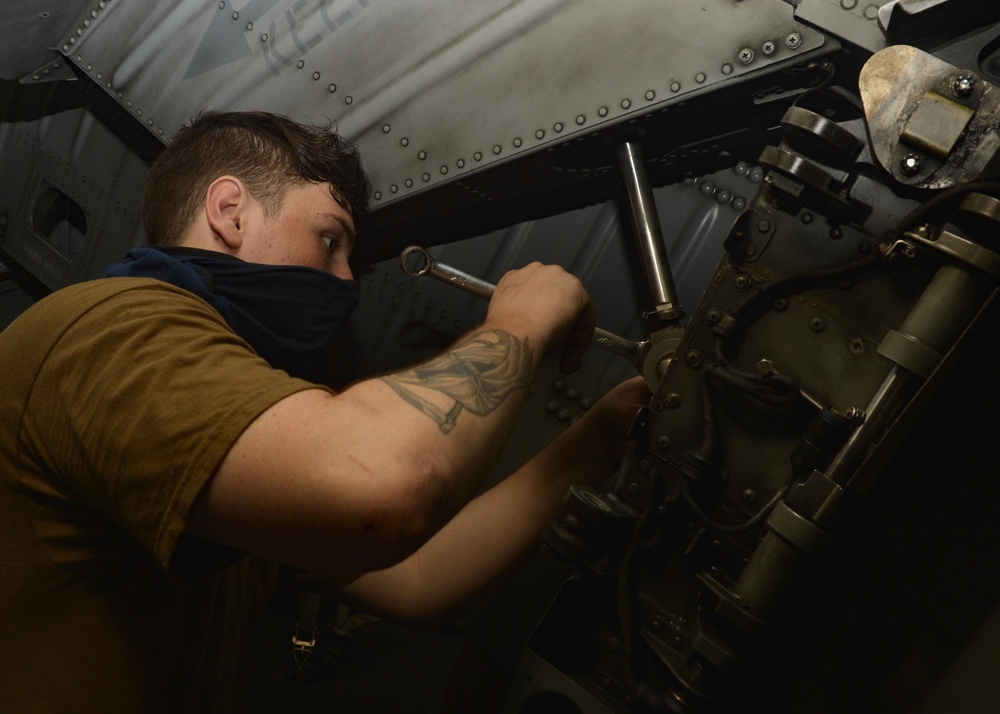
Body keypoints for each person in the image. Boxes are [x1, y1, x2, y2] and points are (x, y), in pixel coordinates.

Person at [0, 110, 648, 712]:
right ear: (230, 210)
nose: (342, 283)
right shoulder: (110, 328)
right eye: (328, 240)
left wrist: (591, 448)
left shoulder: (234, 424)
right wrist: (523, 319)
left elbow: (418, 579)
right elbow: (379, 488)